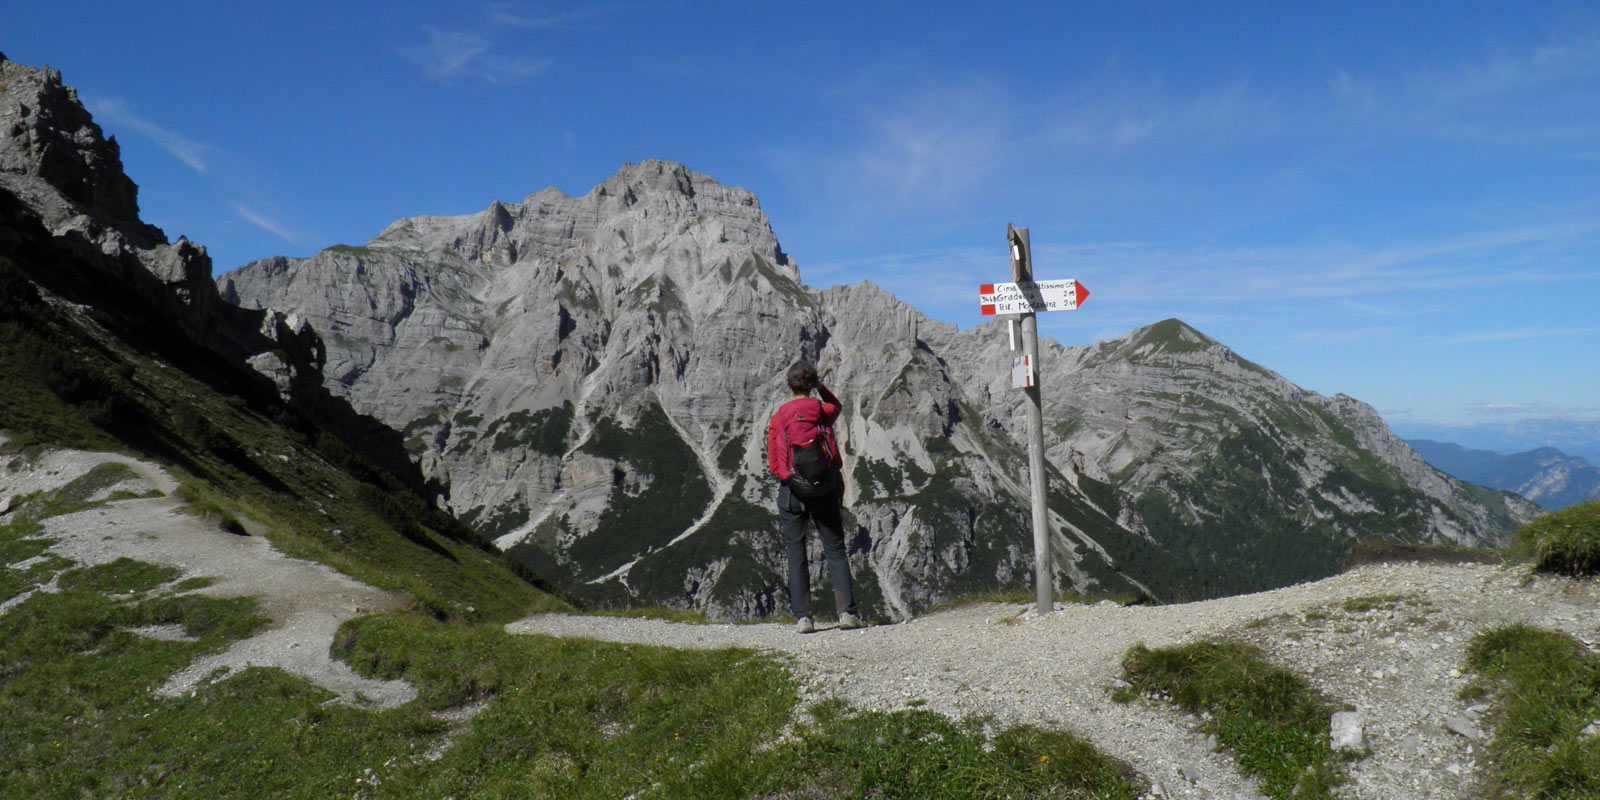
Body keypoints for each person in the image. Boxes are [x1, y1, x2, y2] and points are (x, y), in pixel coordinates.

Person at [766, 361, 861, 633]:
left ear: (789, 384)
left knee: (796, 552)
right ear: (811, 384)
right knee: (835, 550)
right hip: (826, 490)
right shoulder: (822, 411)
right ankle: (846, 614)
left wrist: (793, 479)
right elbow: (838, 405)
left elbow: (775, 464)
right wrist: (821, 387)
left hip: (792, 492)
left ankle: (804, 618)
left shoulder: (779, 417)